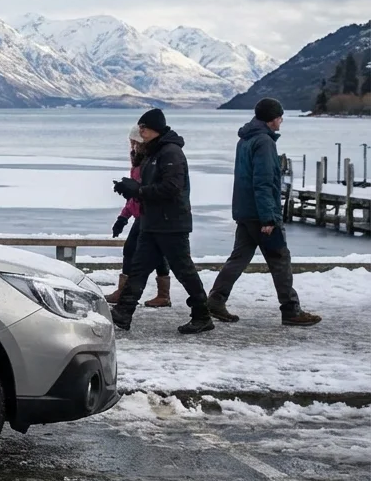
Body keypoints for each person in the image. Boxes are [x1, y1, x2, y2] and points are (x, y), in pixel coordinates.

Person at [206, 98, 321, 326]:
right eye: (279, 117)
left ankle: (216, 300)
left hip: (245, 210)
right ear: (272, 119)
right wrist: (268, 217)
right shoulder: (264, 142)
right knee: (280, 259)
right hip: (260, 213)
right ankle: (291, 310)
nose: (281, 121)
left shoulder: (245, 139)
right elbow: (264, 181)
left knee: (239, 258)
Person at [111, 109, 213, 334]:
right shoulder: (152, 152)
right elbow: (148, 185)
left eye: (143, 128)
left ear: (154, 128)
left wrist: (138, 190)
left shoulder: (171, 153)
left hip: (171, 224)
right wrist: (132, 190)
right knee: (138, 268)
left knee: (184, 269)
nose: (140, 132)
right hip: (152, 221)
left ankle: (202, 314)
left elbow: (172, 188)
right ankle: (123, 312)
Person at [108, 125, 174, 306]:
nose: (131, 145)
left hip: (151, 214)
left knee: (134, 249)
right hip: (142, 214)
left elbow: (140, 192)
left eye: (133, 142)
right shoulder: (138, 161)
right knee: (154, 252)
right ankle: (161, 295)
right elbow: (134, 195)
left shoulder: (147, 162)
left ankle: (128, 293)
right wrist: (123, 217)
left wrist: (126, 215)